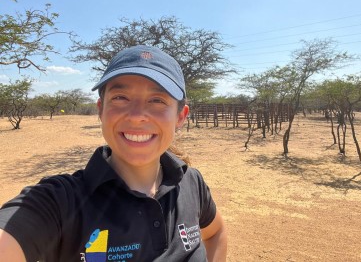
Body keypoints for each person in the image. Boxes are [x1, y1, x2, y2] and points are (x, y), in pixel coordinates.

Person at [0, 45, 227, 261]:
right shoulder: (59, 201)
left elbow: (216, 232)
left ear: (180, 117)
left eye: (157, 100)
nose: (137, 115)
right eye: (120, 98)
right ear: (101, 110)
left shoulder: (192, 183)